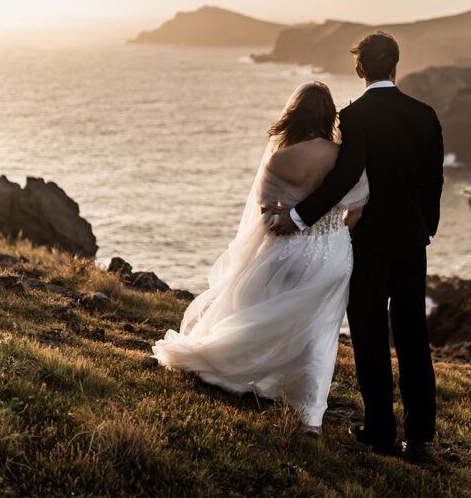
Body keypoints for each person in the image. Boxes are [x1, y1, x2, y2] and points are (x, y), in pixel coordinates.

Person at [152, 81, 367, 434]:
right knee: (321, 330)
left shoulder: (280, 159)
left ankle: (238, 366)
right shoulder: (343, 158)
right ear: (329, 115)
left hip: (290, 251)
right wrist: (332, 233)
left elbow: (267, 216)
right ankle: (311, 415)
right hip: (334, 254)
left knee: (266, 314)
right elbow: (355, 212)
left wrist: (294, 224)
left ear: (293, 115)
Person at [270, 31, 444, 460]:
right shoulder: (425, 114)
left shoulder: (355, 116)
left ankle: (380, 431)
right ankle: (419, 438)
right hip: (411, 240)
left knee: (368, 334)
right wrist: (427, 227)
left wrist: (298, 217)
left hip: (367, 242)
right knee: (412, 336)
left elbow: (345, 178)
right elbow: (434, 180)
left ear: (359, 69)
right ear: (395, 66)